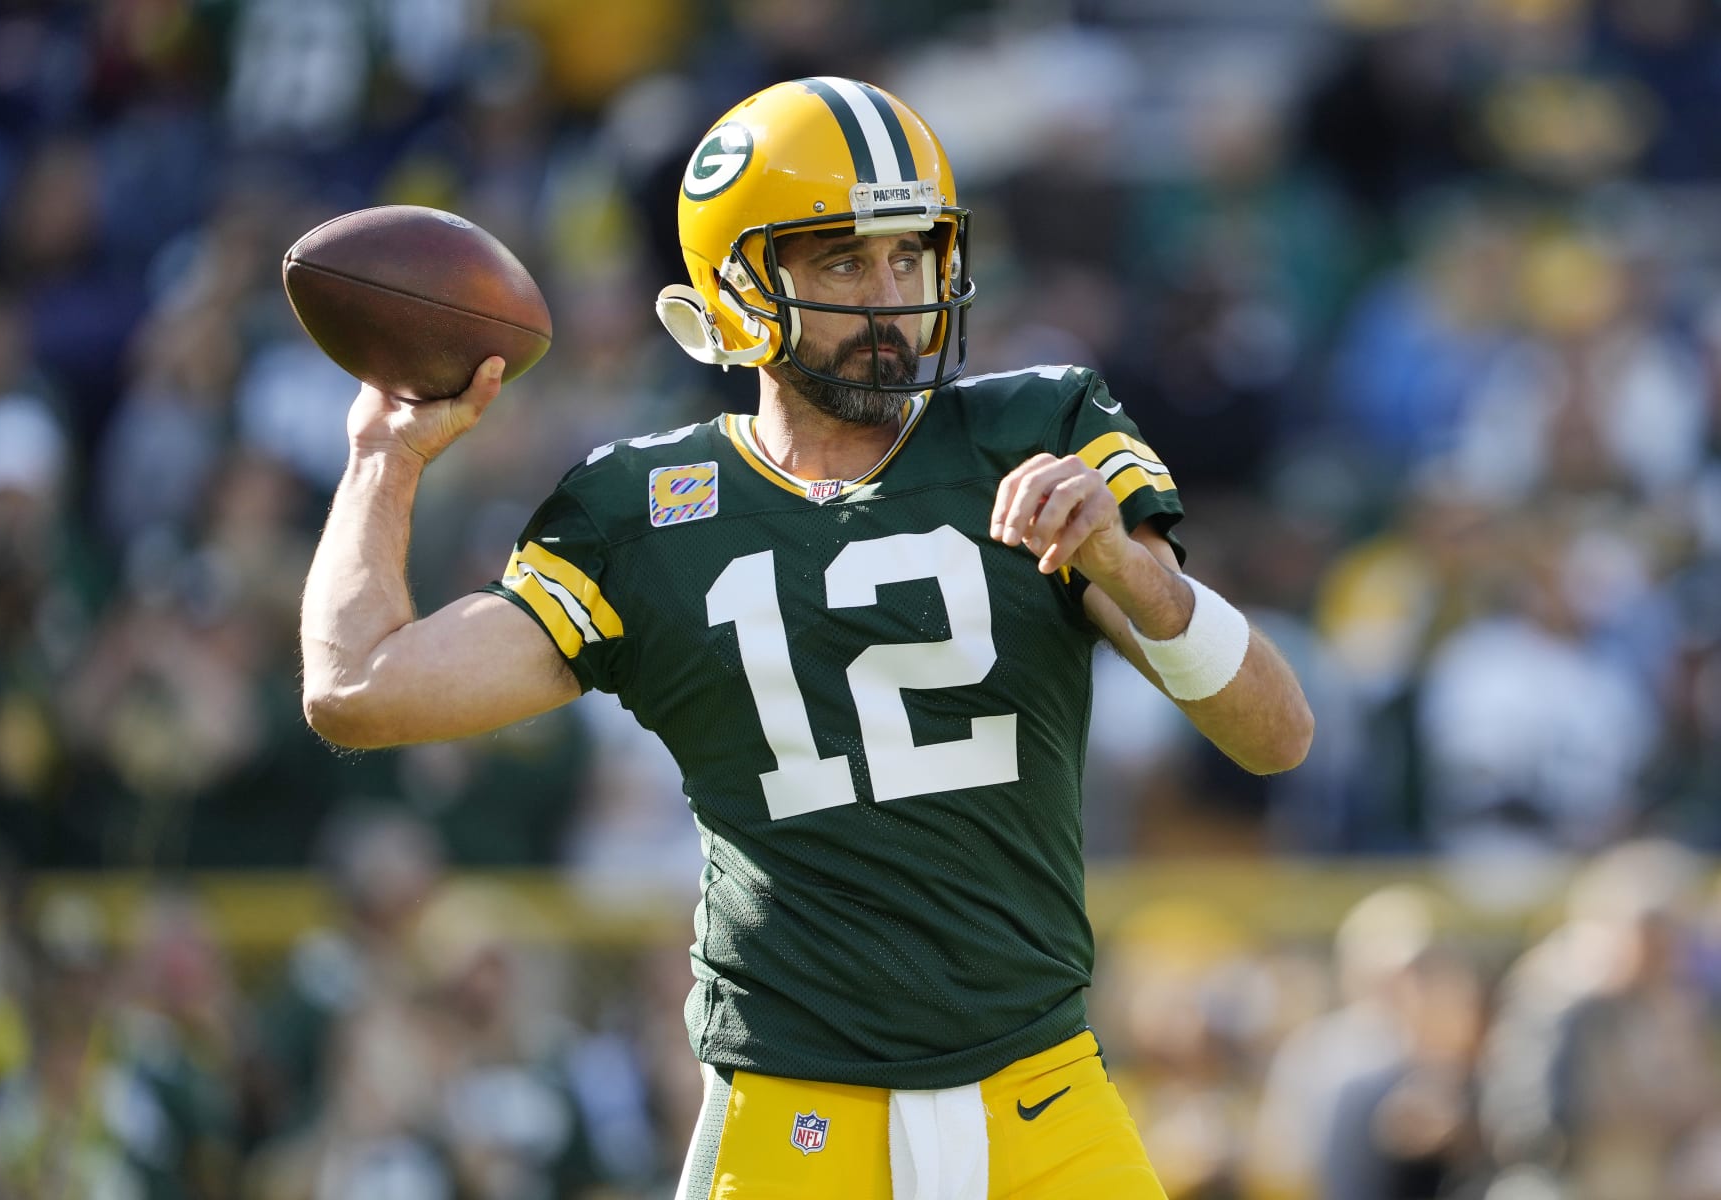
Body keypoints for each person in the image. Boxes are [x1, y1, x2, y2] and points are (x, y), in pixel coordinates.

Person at [299, 76, 1313, 1200]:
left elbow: (1278, 733)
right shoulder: (642, 509)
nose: (892, 298)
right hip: (794, 1121)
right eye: (841, 261)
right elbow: (358, 689)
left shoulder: (1042, 428)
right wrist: (382, 461)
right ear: (734, 291)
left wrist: (1132, 568)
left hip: (1044, 1100)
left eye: (912, 256)